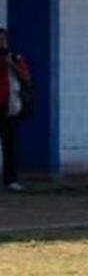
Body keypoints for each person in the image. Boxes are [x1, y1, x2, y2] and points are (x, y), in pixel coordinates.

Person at [0, 27, 32, 192]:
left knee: (10, 144)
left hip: (11, 106)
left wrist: (10, 63)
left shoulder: (15, 58)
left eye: (3, 40)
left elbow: (26, 76)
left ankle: (10, 179)